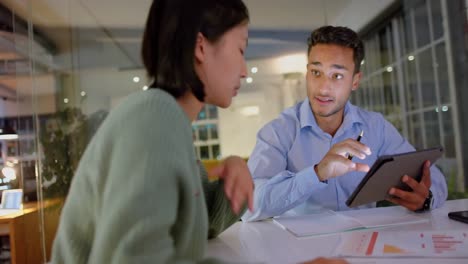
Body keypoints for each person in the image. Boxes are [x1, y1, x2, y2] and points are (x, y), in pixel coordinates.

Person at [50, 1, 346, 263]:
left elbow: (200, 224)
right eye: (241, 49)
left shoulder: (167, 120)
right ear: (200, 46)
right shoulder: (154, 117)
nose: (244, 69)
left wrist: (235, 178)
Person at [242, 26, 448, 222]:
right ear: (307, 73)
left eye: (337, 76)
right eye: (316, 72)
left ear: (355, 81)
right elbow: (248, 206)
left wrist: (425, 197)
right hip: (302, 252)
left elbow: (434, 179)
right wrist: (316, 173)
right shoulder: (278, 132)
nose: (323, 88)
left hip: (365, 246)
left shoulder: (376, 127)